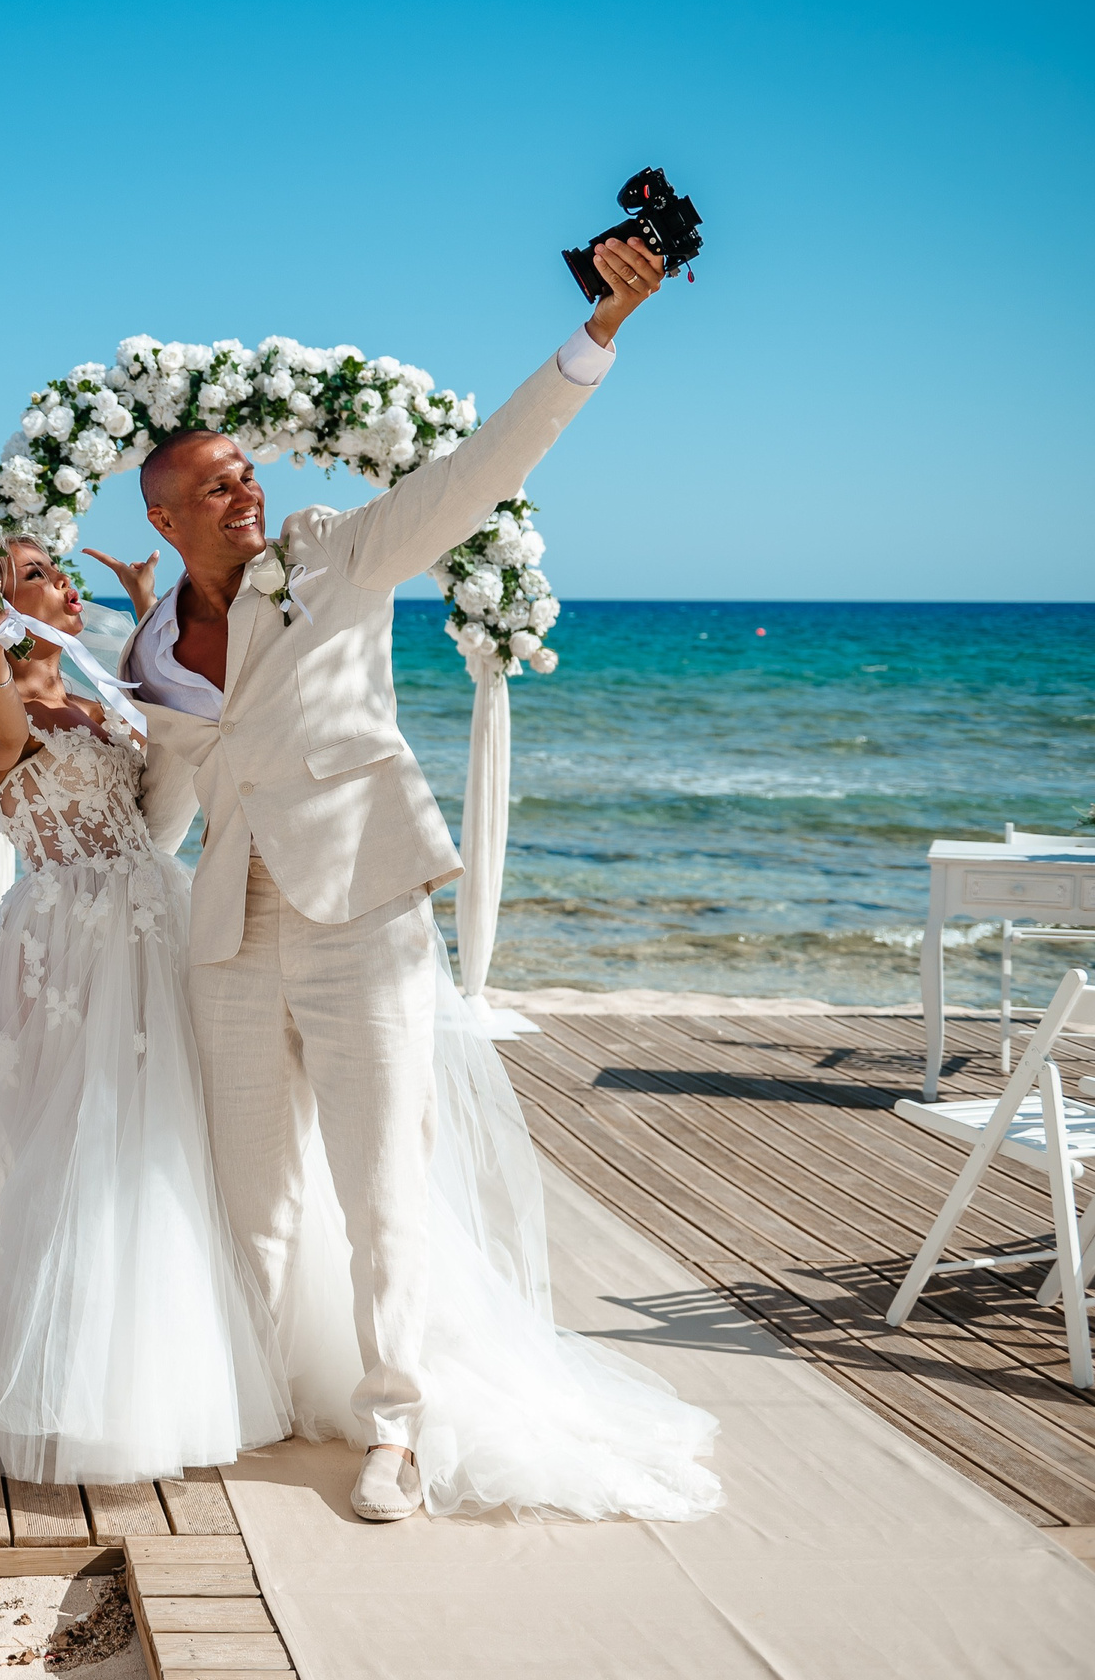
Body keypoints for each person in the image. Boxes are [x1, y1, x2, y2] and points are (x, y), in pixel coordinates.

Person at [120, 234, 718, 1522]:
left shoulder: (337, 556)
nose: (243, 496)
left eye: (245, 474)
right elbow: (159, 799)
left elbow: (482, 469)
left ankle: (395, 1426)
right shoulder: (149, 642)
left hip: (364, 913)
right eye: (213, 487)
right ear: (159, 521)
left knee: (383, 1185)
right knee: (246, 1189)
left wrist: (598, 334)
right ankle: (248, 1392)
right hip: (227, 927)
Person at [0, 538, 292, 1483]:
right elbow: (6, 725)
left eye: (57, 562)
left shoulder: (100, 693)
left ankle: (187, 1367)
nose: (60, 576)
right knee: (91, 1148)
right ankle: (88, 1389)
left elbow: (167, 784)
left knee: (176, 1138)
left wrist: (149, 622)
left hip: (154, 919)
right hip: (68, 942)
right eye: (35, 572)